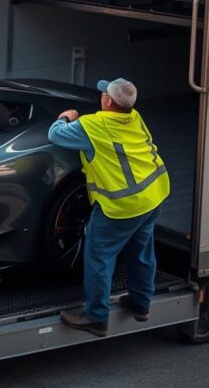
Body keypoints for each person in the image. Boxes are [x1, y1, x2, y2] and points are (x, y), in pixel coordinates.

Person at [48, 78, 169, 336]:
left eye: (103, 93)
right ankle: (140, 304)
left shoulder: (93, 125)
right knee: (141, 252)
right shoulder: (134, 117)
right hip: (152, 195)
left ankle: (96, 317)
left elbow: (55, 135)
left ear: (109, 101)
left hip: (120, 206)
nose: (101, 95)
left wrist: (65, 116)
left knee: (99, 258)